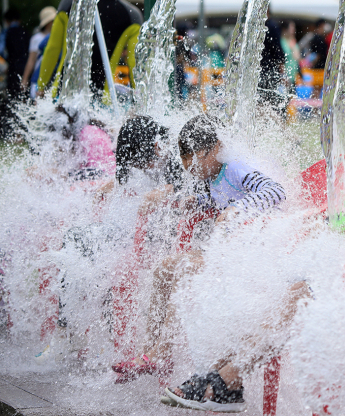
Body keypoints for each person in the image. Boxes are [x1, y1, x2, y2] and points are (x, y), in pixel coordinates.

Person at [111, 114, 286, 383]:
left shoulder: (235, 168)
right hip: (228, 253)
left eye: (193, 156)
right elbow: (222, 199)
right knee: (163, 270)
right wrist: (198, 202)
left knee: (183, 269)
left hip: (254, 257)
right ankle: (150, 352)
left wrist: (236, 210)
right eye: (183, 157)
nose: (186, 165)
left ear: (215, 147)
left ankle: (163, 351)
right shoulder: (215, 177)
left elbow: (275, 192)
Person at [37, 0, 143, 99]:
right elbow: (135, 62)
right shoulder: (131, 15)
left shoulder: (68, 4)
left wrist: (41, 86)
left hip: (63, 93)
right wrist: (140, 98)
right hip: (103, 99)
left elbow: (52, 49)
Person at [21, 7, 55, 99]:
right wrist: (25, 79)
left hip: (53, 77)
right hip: (39, 77)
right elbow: (31, 60)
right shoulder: (37, 38)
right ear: (48, 23)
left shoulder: (58, 38)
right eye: (53, 20)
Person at [258, 9, 285, 114]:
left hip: (264, 69)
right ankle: (277, 123)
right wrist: (282, 68)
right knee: (269, 100)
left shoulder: (264, 26)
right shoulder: (272, 26)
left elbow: (277, 49)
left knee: (261, 100)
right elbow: (278, 49)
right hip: (270, 69)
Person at [2, 8, 29, 99]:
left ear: (7, 21)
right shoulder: (25, 32)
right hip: (26, 68)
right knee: (25, 96)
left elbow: (2, 50)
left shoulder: (7, 33)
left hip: (13, 69)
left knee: (13, 97)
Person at [280, 20, 301, 96]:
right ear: (285, 29)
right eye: (291, 28)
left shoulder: (293, 42)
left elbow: (297, 57)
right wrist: (283, 75)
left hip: (293, 76)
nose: (294, 30)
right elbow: (280, 60)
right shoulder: (281, 42)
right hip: (283, 76)